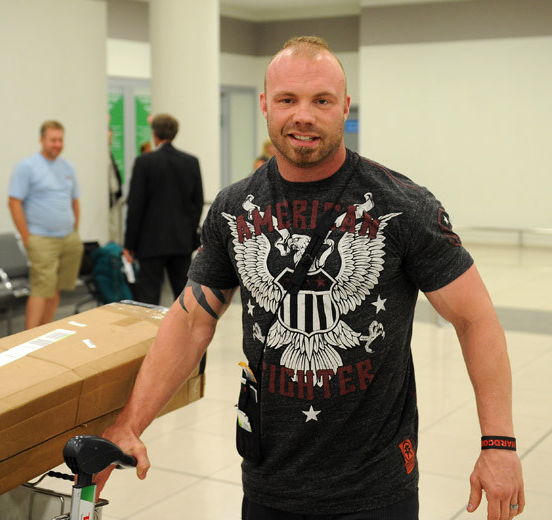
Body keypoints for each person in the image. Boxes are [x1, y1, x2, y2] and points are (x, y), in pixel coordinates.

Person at [99, 36, 524, 519]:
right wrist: (130, 424)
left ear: (345, 106)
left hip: (376, 488)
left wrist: (499, 444)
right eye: (288, 100)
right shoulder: (234, 208)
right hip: (268, 482)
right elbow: (191, 321)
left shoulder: (401, 205)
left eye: (321, 100)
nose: (303, 115)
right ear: (265, 105)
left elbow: (475, 319)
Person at [8, 120, 83, 329]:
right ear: (42, 140)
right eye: (53, 140)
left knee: (56, 288)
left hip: (68, 238)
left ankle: (44, 332)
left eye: (60, 140)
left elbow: (74, 200)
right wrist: (27, 237)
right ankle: (30, 337)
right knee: (42, 289)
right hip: (41, 238)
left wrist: (75, 230)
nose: (57, 144)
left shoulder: (68, 167)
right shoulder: (27, 167)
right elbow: (14, 202)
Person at [123, 113, 204, 305]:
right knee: (183, 297)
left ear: (154, 134)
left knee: (149, 298)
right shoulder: (191, 161)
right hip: (181, 241)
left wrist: (129, 244)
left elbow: (135, 205)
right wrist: (189, 231)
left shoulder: (144, 162)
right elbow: (198, 202)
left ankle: (150, 326)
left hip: (150, 242)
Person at [108, 127, 124, 243]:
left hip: (114, 201)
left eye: (111, 137)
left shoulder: (109, 155)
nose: (110, 140)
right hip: (109, 202)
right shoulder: (103, 157)